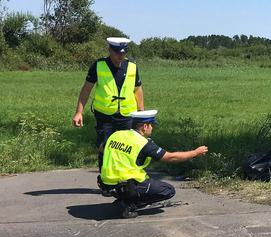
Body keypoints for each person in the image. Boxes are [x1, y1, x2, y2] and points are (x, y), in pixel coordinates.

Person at [99, 110, 208, 218]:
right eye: (152, 125)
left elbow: (101, 149)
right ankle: (129, 204)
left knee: (134, 181)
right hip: (129, 183)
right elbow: (171, 157)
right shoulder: (143, 143)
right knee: (168, 190)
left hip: (107, 181)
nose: (152, 128)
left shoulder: (116, 135)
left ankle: (123, 197)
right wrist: (195, 152)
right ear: (145, 126)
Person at [71, 37, 144, 170]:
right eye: (117, 52)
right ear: (109, 50)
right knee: (105, 147)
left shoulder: (132, 67)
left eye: (123, 53)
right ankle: (106, 181)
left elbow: (138, 89)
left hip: (127, 115)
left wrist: (141, 114)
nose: (120, 56)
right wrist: (79, 112)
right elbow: (86, 89)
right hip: (105, 116)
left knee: (128, 148)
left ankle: (126, 180)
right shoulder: (98, 65)